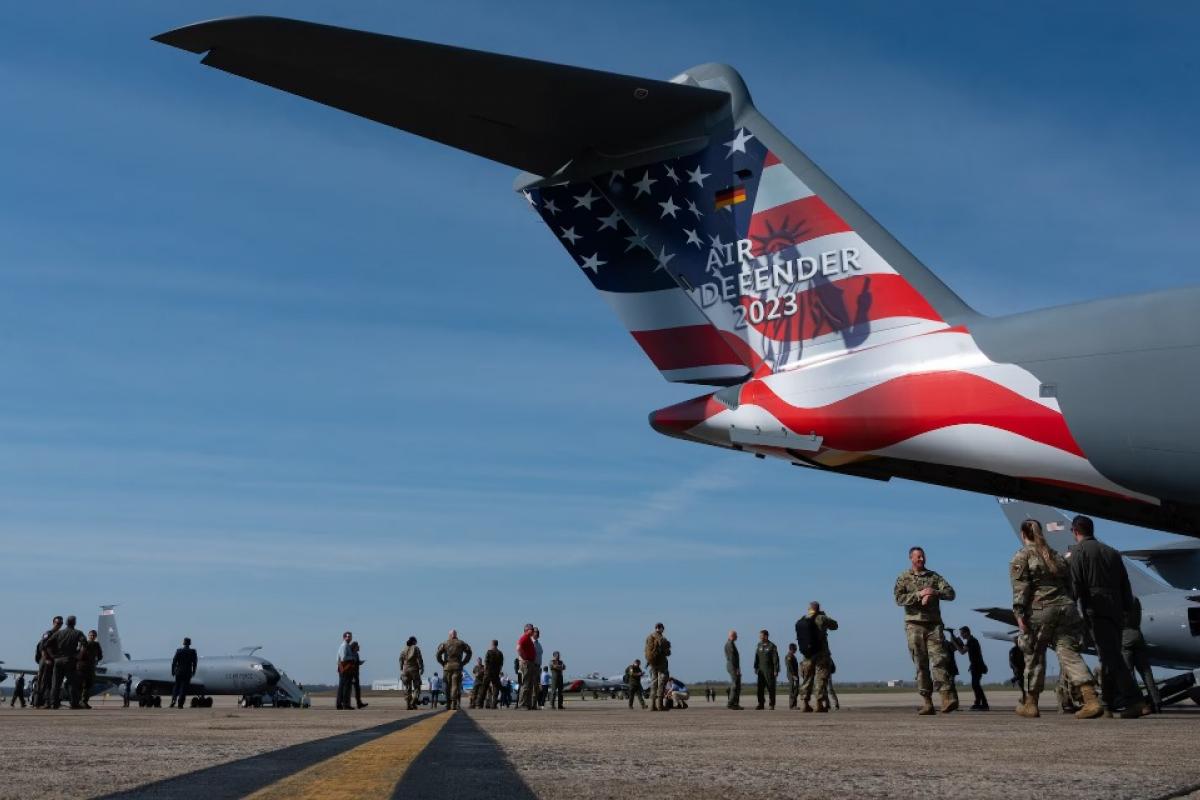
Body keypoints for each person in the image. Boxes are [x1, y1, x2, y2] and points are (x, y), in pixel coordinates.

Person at [1011, 518, 1102, 719]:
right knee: (1069, 653)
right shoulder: (1054, 555)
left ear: (1023, 534)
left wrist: (1019, 616)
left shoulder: (1023, 556)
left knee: (1034, 655)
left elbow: (1021, 589)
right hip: (1067, 609)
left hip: (1041, 610)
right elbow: (1071, 584)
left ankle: (1031, 703)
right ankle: (1091, 699)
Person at [1068, 515, 1146, 718]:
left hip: (1096, 608)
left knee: (1111, 656)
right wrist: (1127, 608)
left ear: (1075, 531)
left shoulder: (1078, 551)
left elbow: (1075, 583)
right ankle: (1107, 704)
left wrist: (1070, 609)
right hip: (1117, 610)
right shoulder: (1112, 552)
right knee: (1108, 655)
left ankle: (1135, 700)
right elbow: (1125, 583)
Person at [893, 546, 959, 714]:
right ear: (911, 558)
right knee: (921, 664)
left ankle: (946, 698)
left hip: (934, 625)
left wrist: (934, 592)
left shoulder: (934, 576)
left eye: (923, 556)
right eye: (918, 557)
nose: (921, 559)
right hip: (914, 625)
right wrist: (919, 595)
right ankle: (927, 702)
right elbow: (899, 599)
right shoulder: (903, 577)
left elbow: (951, 593)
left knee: (939, 660)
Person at [1122, 596, 1162, 713]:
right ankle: (1156, 702)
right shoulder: (1135, 599)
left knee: (1129, 673)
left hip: (1124, 636)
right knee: (1146, 671)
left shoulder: (1118, 599)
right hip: (1138, 635)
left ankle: (1136, 702)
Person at [797, 601, 839, 713]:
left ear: (809, 609)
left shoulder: (803, 619)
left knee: (807, 678)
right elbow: (835, 625)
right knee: (821, 677)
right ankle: (819, 703)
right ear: (818, 608)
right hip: (821, 652)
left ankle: (804, 703)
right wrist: (823, 615)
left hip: (807, 654)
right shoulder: (821, 618)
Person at [49, 615, 86, 709]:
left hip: (58, 661)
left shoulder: (58, 633)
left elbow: (47, 644)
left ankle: (54, 703)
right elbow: (84, 644)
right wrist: (80, 654)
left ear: (66, 623)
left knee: (55, 683)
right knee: (72, 683)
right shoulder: (78, 633)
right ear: (74, 623)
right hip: (70, 660)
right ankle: (74, 703)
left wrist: (53, 656)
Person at [949, 626, 988, 711]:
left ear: (967, 632)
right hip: (976, 666)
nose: (961, 635)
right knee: (976, 685)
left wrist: (954, 642)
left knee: (976, 685)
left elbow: (962, 652)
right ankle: (980, 703)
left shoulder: (971, 641)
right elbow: (965, 648)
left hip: (977, 666)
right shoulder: (972, 641)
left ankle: (982, 704)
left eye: (962, 633)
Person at [435, 629, 472, 710]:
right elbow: (469, 652)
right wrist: (463, 662)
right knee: (455, 685)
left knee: (447, 686)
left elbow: (438, 654)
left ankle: (448, 704)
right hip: (457, 666)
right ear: (456, 634)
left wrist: (442, 663)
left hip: (447, 667)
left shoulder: (444, 643)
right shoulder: (461, 643)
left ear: (450, 635)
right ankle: (454, 704)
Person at [33, 616, 61, 708]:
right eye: (57, 623)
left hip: (53, 661)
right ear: (53, 623)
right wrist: (46, 659)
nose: (59, 625)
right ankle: (37, 702)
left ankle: (47, 702)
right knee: (42, 681)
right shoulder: (48, 633)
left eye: (60, 623)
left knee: (49, 682)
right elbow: (42, 647)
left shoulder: (59, 634)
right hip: (46, 660)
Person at [644, 623, 671, 711]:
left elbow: (646, 650)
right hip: (661, 664)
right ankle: (660, 705)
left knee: (653, 684)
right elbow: (667, 651)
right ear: (662, 628)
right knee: (661, 684)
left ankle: (652, 706)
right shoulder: (661, 638)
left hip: (652, 663)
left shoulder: (649, 637)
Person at [753, 629, 779, 710]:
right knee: (760, 688)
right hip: (761, 671)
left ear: (766, 636)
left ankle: (771, 704)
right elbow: (756, 658)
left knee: (771, 688)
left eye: (762, 635)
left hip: (769, 670)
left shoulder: (772, 646)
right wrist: (755, 667)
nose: (760, 637)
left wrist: (776, 670)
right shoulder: (759, 645)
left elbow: (775, 659)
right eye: (760, 636)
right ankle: (761, 704)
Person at [77, 629, 104, 709]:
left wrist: (96, 660)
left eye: (93, 636)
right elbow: (78, 654)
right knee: (80, 685)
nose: (92, 637)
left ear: (95, 637)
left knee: (88, 685)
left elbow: (100, 655)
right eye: (91, 635)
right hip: (81, 667)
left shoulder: (96, 645)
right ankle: (78, 701)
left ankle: (84, 701)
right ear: (88, 636)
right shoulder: (83, 644)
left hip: (90, 667)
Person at [170, 637, 198, 710]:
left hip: (179, 672)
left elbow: (174, 662)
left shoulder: (179, 651)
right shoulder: (193, 652)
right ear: (189, 643)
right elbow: (195, 663)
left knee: (176, 686)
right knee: (183, 688)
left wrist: (173, 671)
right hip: (187, 672)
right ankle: (180, 704)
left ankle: (173, 700)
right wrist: (194, 671)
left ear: (183, 643)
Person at [516, 624, 538, 710]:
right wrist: (524, 658)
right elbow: (518, 648)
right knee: (525, 684)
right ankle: (522, 704)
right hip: (526, 664)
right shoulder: (524, 637)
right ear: (526, 630)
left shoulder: (529, 639)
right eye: (531, 629)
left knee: (529, 685)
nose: (533, 631)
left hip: (531, 663)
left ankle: (527, 704)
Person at [400, 636, 424, 710]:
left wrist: (401, 668)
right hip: (414, 670)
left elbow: (400, 659)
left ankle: (408, 704)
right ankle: (413, 702)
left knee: (407, 688)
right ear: (414, 641)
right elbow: (419, 658)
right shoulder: (416, 648)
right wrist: (421, 668)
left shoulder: (403, 649)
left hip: (405, 670)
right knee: (417, 687)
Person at [336, 631, 355, 710]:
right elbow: (343, 658)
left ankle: (340, 704)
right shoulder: (344, 646)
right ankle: (345, 705)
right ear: (344, 637)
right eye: (347, 636)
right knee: (345, 687)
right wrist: (352, 658)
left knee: (343, 687)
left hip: (343, 668)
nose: (349, 638)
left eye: (350, 636)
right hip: (344, 668)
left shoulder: (346, 645)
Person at [724, 630, 742, 710]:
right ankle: (731, 703)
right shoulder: (729, 644)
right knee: (735, 684)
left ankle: (735, 703)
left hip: (732, 666)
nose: (737, 637)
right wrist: (737, 668)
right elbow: (732, 658)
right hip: (732, 666)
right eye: (736, 635)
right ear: (732, 636)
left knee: (737, 684)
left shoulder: (731, 644)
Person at [483, 640, 504, 709]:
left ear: (492, 644)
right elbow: (501, 665)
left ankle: (479, 704)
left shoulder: (489, 652)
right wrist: (499, 671)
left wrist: (485, 671)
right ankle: (494, 705)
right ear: (497, 644)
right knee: (496, 689)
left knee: (484, 688)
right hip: (496, 673)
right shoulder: (500, 653)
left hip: (488, 672)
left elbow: (486, 662)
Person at [350, 641, 368, 709]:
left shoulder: (356, 654)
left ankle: (359, 703)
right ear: (354, 647)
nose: (359, 647)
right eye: (358, 646)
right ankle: (346, 704)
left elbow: (356, 663)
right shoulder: (351, 654)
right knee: (349, 690)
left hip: (356, 674)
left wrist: (360, 662)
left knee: (357, 689)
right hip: (352, 674)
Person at [1008, 639, 1026, 705]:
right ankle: (1024, 698)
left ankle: (1024, 698)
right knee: (1022, 684)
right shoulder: (1013, 650)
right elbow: (1011, 662)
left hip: (1023, 669)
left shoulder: (1023, 650)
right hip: (1018, 670)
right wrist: (1015, 668)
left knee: (1024, 685)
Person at [784, 643, 800, 710]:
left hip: (794, 675)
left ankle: (794, 705)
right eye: (795, 649)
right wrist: (793, 675)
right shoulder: (789, 656)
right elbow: (789, 666)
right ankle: (792, 705)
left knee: (796, 689)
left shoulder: (792, 656)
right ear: (792, 649)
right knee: (792, 690)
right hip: (792, 675)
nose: (796, 650)